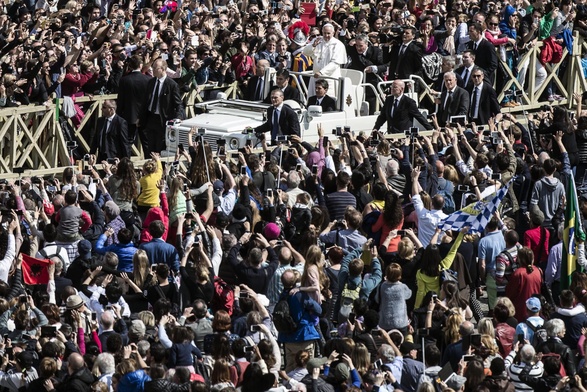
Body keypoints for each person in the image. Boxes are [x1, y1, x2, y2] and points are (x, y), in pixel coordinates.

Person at [276, 270, 322, 373]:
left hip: (288, 339)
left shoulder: (281, 297)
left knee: (290, 371)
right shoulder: (300, 295)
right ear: (295, 281)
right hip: (304, 337)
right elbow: (318, 310)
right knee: (307, 370)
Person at [139, 59, 184, 156]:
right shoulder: (151, 82)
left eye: (156, 68)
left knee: (160, 147)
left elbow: (178, 103)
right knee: (149, 147)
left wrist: (179, 117)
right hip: (150, 118)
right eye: (153, 67)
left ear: (163, 69)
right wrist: (140, 117)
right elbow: (145, 101)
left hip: (162, 120)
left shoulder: (171, 84)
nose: (153, 69)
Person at [117, 55, 150, 157]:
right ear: (141, 65)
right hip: (145, 116)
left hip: (128, 115)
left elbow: (120, 100)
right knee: (147, 143)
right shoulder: (148, 80)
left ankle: (126, 165)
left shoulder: (124, 80)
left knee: (127, 143)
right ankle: (151, 166)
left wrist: (118, 115)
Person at [303, 23, 347, 98]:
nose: (326, 35)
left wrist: (321, 72)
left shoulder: (338, 44)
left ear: (333, 33)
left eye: (328, 33)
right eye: (324, 33)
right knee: (313, 99)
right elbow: (305, 52)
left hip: (330, 78)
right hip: (316, 77)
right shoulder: (317, 40)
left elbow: (335, 63)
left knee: (328, 101)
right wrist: (313, 45)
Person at [346, 34, 386, 114]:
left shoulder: (376, 51)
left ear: (367, 44)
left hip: (372, 83)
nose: (358, 48)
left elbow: (385, 66)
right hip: (358, 82)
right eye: (356, 45)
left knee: (372, 105)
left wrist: (373, 68)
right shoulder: (353, 50)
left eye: (361, 46)